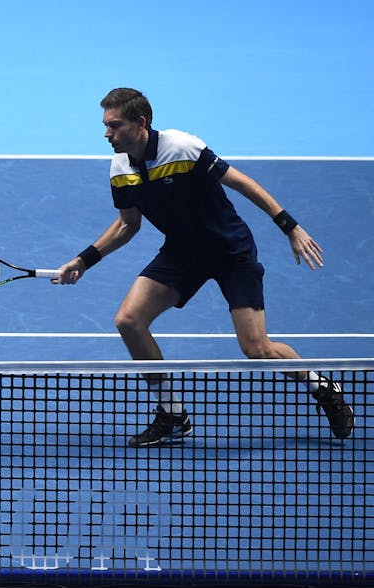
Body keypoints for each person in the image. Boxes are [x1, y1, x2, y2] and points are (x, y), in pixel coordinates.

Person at [54, 88, 354, 447]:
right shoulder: (120, 168)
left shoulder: (182, 148)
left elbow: (242, 183)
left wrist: (290, 226)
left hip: (230, 252)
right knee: (129, 321)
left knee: (256, 348)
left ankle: (323, 388)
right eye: (105, 125)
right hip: (182, 254)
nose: (106, 133)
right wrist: (85, 260)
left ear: (140, 123)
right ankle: (172, 414)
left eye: (114, 126)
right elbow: (127, 224)